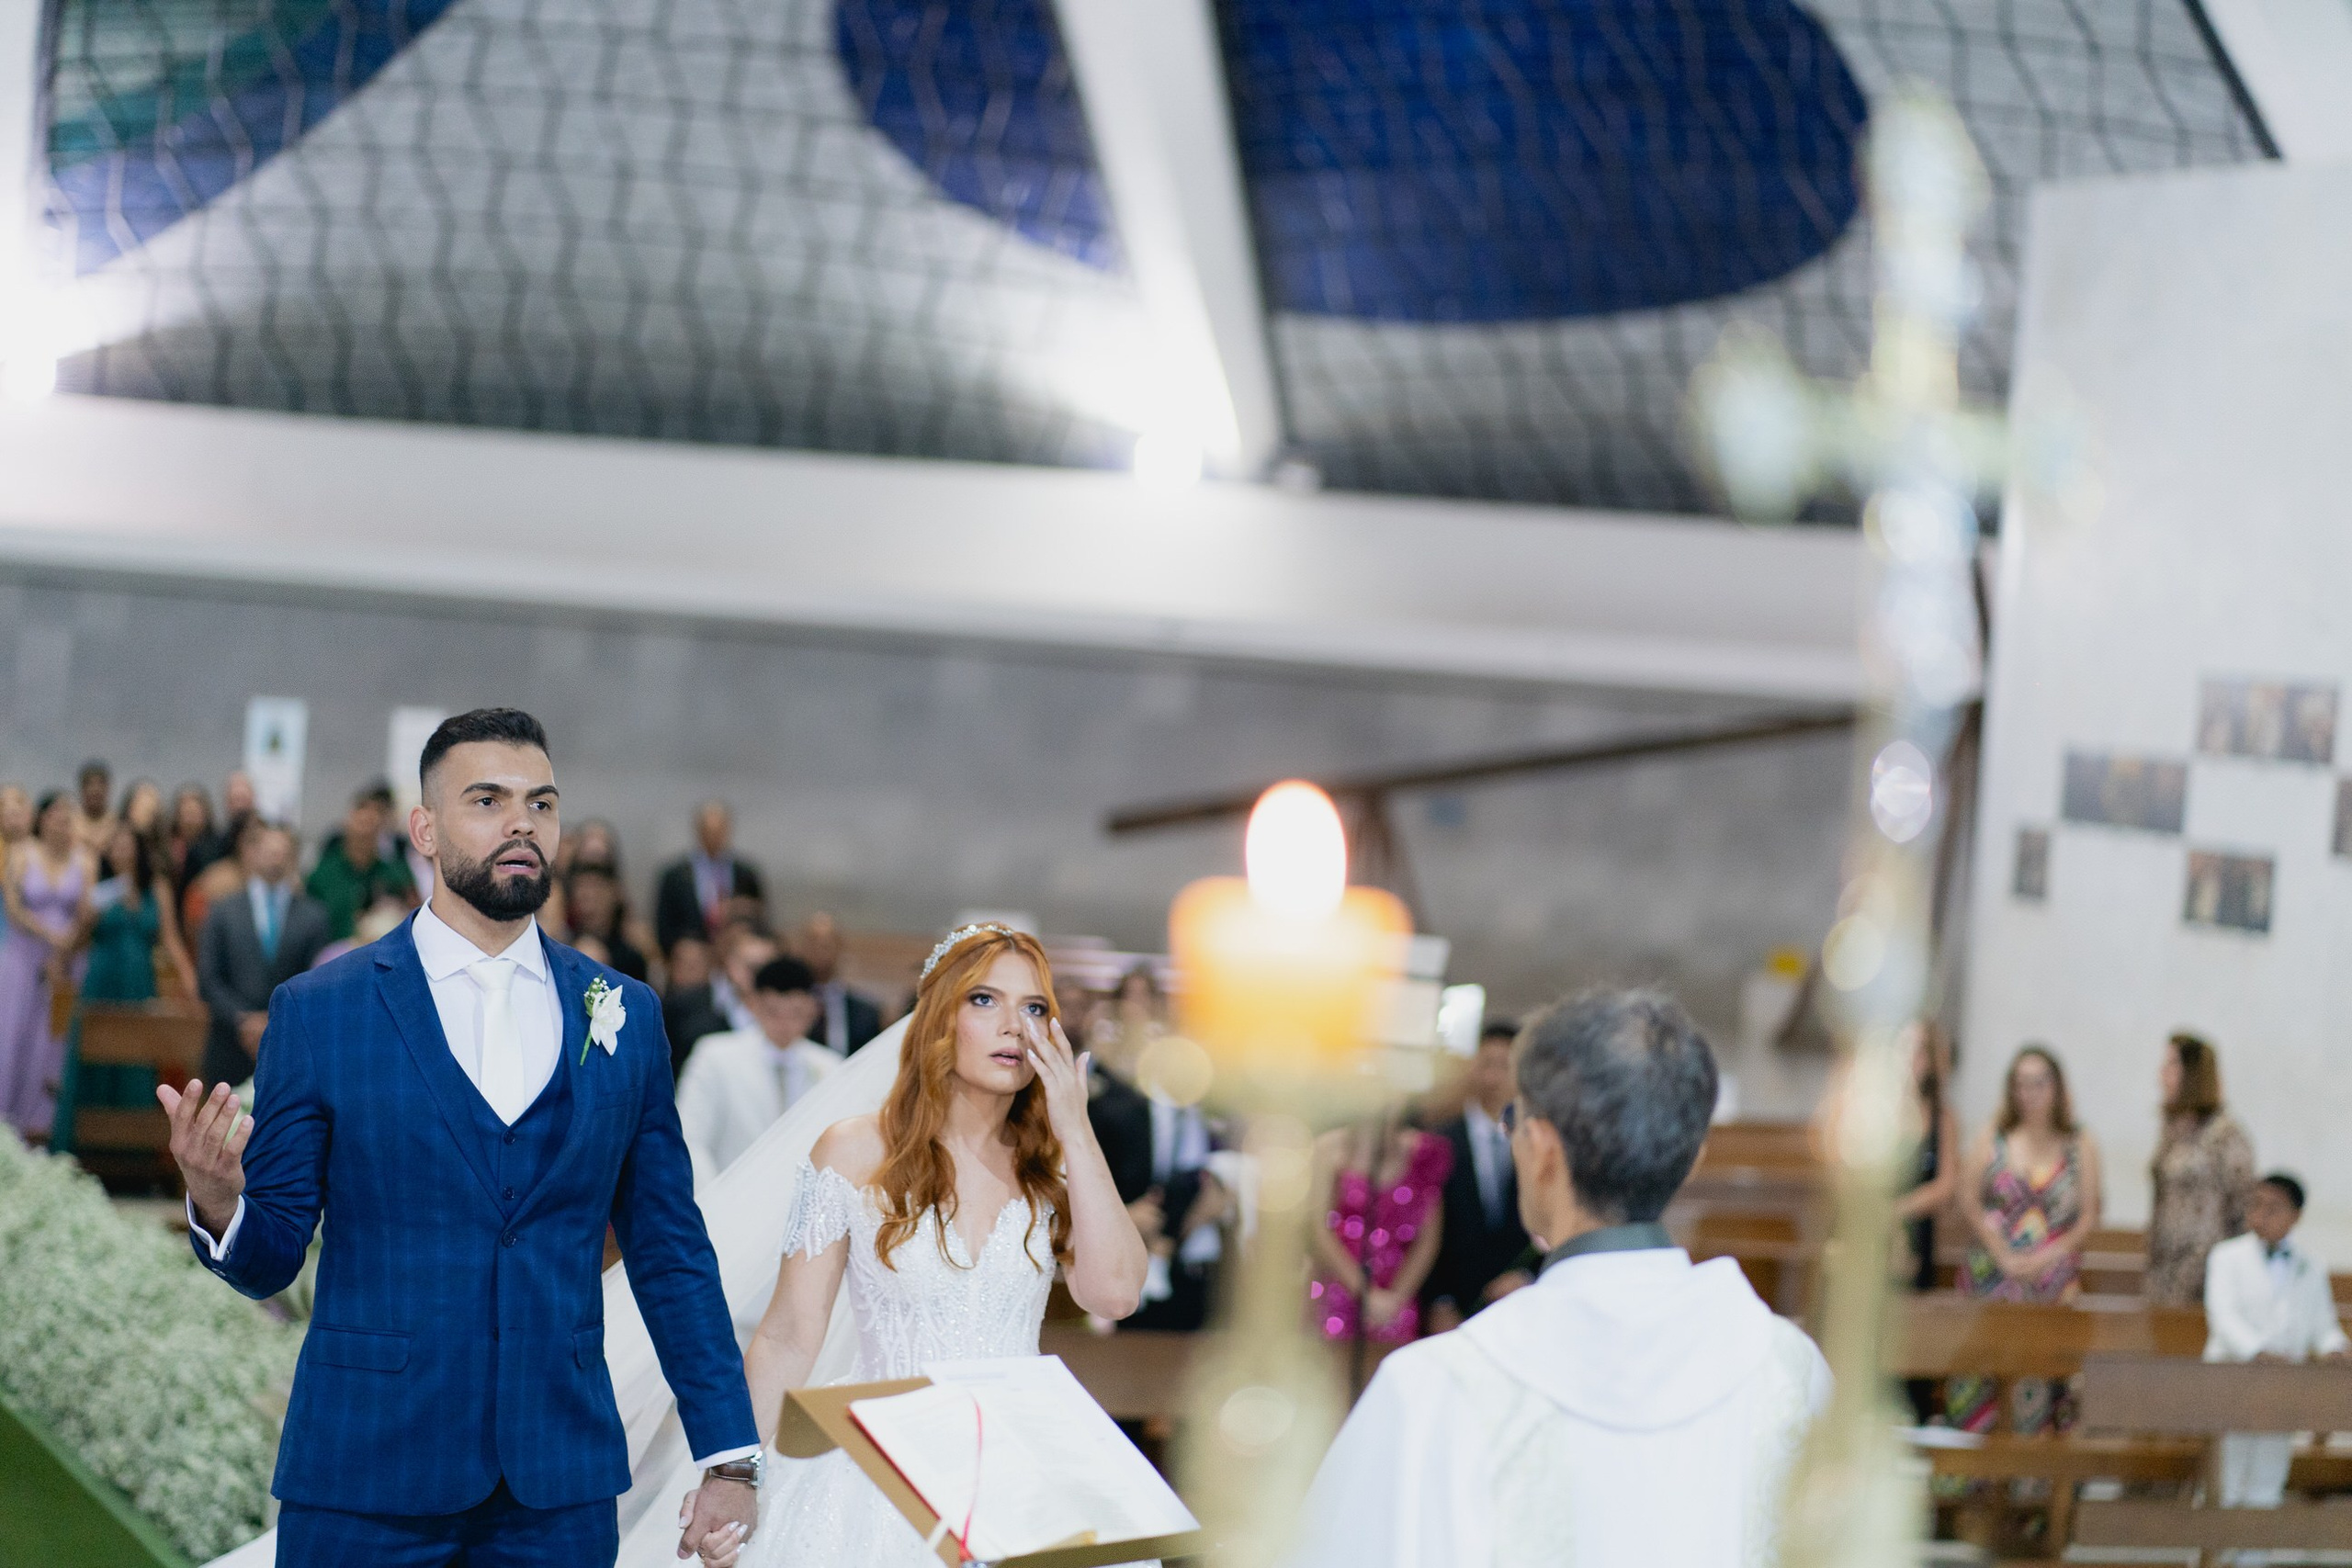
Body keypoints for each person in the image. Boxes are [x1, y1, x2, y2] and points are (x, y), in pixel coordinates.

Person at [160, 707, 760, 1568]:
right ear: (425, 830)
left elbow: (669, 1249)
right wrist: (221, 1202)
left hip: (556, 1486)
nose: (523, 823)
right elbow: (273, 1256)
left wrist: (729, 1454)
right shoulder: (321, 1011)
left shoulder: (624, 1015)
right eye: (488, 800)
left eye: (541, 803)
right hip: (365, 1472)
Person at [1291, 988, 1830, 1568]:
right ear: (1693, 1159)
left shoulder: (1431, 1391)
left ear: (1542, 1149)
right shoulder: (1793, 1375)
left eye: (1513, 1122)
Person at [729, 923, 1147, 1568]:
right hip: (878, 1465)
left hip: (1018, 1464)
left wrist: (1075, 1126)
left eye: (1034, 1008)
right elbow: (788, 1336)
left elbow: (1115, 1295)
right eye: (985, 1000)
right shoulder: (854, 1150)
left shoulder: (1052, 1166)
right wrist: (735, 1473)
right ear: (940, 1017)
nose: (1014, 1026)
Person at [1951, 1044, 2103, 1432]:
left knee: (2041, 1379)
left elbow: (2089, 1215)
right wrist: (2002, 1252)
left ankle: (2035, 1464)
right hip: (1992, 1274)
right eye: (2020, 1084)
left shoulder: (2079, 1142)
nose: (2029, 1093)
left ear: (2056, 1087)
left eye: (2038, 1083)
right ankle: (1975, 1460)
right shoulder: (1994, 1135)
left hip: (2051, 1280)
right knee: (1982, 1372)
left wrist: (2047, 1256)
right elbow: (1968, 1200)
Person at [2204, 1173, 2349, 1506]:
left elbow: (2322, 1326)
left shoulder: (2311, 1266)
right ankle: (2219, 1540)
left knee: (2267, 1480)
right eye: (2256, 1204)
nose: (2261, 1214)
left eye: (2273, 1207)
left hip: (2284, 1385)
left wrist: (2336, 1347)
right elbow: (2223, 1317)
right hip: (2233, 1379)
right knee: (2227, 1479)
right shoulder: (2226, 1257)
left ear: (2295, 1215)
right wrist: (2259, 1351)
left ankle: (2258, 1540)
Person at [51, 823, 196, 1156]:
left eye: (127, 844)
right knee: (93, 1059)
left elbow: (171, 939)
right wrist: (87, 916)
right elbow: (76, 939)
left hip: (139, 983)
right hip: (101, 982)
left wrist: (190, 980)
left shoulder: (156, 887)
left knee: (136, 1061)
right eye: (115, 845)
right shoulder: (99, 887)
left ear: (139, 850)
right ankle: (85, 1150)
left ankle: (133, 1154)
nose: (121, 851)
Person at [674, 956, 841, 1183]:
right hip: (730, 1191)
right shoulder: (715, 1056)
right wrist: (715, 1196)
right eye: (774, 1011)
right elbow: (691, 1138)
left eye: (796, 1013)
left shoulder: (830, 1066)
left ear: (812, 1010)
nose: (784, 1023)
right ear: (755, 1005)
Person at [195, 818, 332, 1084]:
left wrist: (274, 1020)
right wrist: (243, 1020)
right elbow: (208, 978)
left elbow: (317, 979)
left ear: (293, 858)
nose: (275, 859)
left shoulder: (314, 916)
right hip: (229, 1044)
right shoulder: (222, 911)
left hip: (290, 1045)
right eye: (269, 852)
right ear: (252, 853)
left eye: (282, 853)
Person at [1422, 1021, 1535, 1332]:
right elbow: (1423, 1225)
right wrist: (1439, 1299)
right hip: (1449, 1307)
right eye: (1486, 1064)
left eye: (1504, 1066)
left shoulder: (1539, 1143)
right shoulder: (1439, 1139)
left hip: (1514, 1306)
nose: (1493, 1077)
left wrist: (1528, 1276)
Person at [1309, 1107, 1451, 1343]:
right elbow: (1319, 1230)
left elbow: (1428, 1240)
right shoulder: (1328, 1149)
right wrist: (1365, 1294)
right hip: (1337, 1290)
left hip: (1396, 1297)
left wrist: (1395, 1298)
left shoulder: (1424, 1153)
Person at [1, 793, 95, 1137]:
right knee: (11, 1037)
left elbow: (86, 911)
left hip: (66, 963)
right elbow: (14, 908)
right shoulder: (22, 852)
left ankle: (40, 1127)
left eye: (68, 817)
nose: (62, 822)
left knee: (52, 1044)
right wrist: (50, 935)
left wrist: (65, 947)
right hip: (23, 958)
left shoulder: (84, 860)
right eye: (56, 815)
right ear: (42, 819)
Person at [2145, 1031, 2256, 1308]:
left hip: (2210, 1270)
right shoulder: (2173, 1133)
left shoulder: (2225, 1136)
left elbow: (2243, 1208)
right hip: (2166, 1270)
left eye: (2172, 1064)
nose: (2162, 1074)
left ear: (2194, 1073)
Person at [306, 781, 420, 942]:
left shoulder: (396, 875)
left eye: (372, 826)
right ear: (348, 823)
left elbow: (414, 914)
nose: (365, 833)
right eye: (361, 823)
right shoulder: (322, 876)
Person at [1895, 1021, 1962, 1292]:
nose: (1911, 1058)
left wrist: (1896, 1212)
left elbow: (1945, 1186)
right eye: (1904, 1049)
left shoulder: (1942, 1118)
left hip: (1917, 1232)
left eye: (1920, 1051)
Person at [656, 802, 765, 954]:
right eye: (709, 831)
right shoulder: (675, 877)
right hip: (692, 954)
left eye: (719, 831)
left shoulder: (746, 874)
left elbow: (761, 917)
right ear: (698, 831)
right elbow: (665, 924)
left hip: (735, 952)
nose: (714, 837)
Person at [789, 912, 882, 1055]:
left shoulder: (866, 1013)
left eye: (827, 943)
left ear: (840, 947)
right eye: (813, 942)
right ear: (801, 947)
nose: (820, 948)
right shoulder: (787, 1007)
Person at [565, 862, 650, 984]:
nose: (589, 895)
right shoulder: (562, 946)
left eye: (596, 887)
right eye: (581, 887)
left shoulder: (631, 955)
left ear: (614, 893)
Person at [662, 936, 729, 1077]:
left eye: (696, 964)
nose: (689, 971)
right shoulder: (657, 1009)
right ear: (670, 967)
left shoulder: (722, 1014)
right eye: (683, 964)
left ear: (710, 968)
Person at [73, 759, 116, 854]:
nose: (95, 790)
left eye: (100, 784)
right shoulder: (70, 825)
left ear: (107, 789)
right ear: (82, 789)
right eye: (90, 784)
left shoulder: (118, 824)